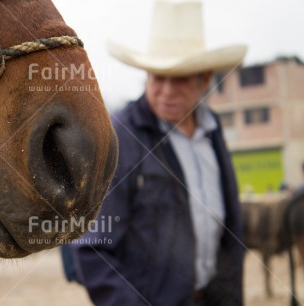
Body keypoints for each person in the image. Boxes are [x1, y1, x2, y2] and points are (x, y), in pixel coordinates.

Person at [70, 1, 247, 305]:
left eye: (178, 79)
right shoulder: (121, 136)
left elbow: (231, 227)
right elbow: (94, 247)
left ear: (204, 79)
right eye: (157, 77)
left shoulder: (212, 128)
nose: (165, 90)